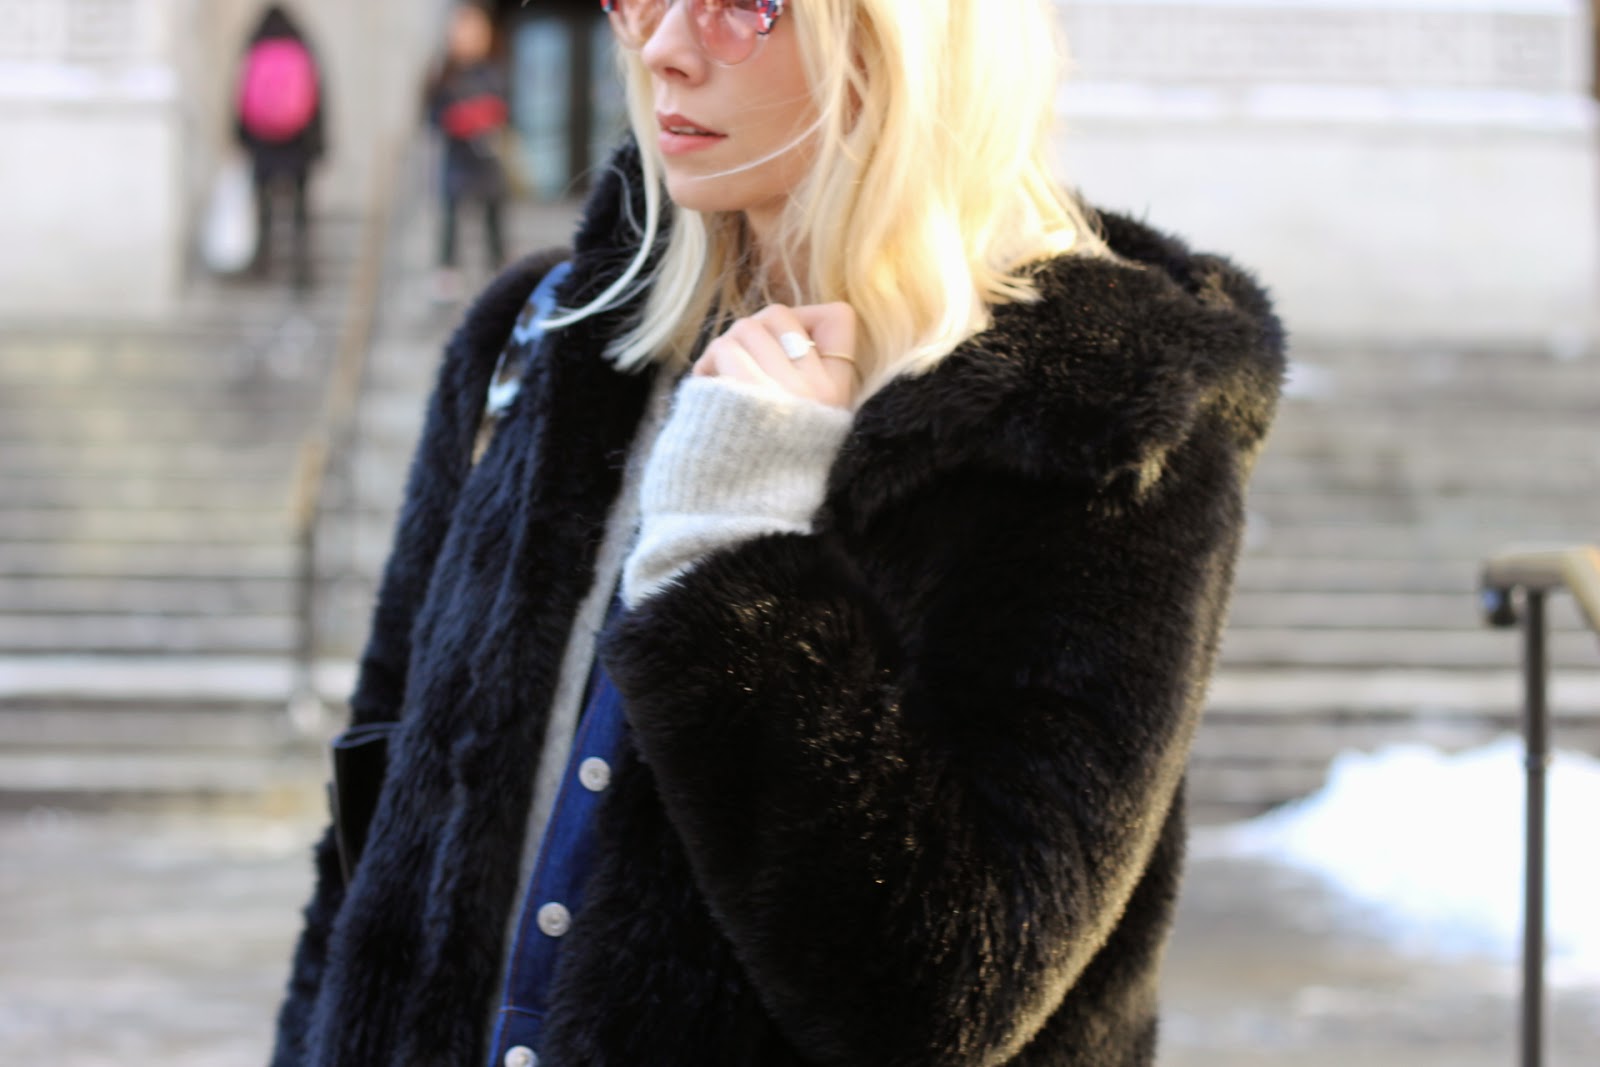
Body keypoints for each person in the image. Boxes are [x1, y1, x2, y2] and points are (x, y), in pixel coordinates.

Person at [269, 1, 1285, 1065]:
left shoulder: (1095, 425)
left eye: (738, 3)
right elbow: (377, 831)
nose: (662, 48)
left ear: (906, 39)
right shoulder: (539, 339)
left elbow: (946, 998)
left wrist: (741, 558)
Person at [234, 3, 326, 291]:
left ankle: (264, 261)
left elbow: (241, 98)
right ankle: (302, 265)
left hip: (263, 141)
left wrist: (241, 138)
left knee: (265, 205)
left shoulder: (255, 48)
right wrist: (318, 143)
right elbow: (318, 101)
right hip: (298, 142)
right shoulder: (302, 48)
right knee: (299, 206)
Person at [424, 3, 510, 303]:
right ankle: (447, 270)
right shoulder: (444, 76)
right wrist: (458, 120)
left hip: (488, 157)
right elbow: (432, 117)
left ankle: (498, 266)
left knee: (493, 214)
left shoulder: (494, 71)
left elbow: (506, 109)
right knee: (452, 216)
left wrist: (487, 115)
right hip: (458, 159)